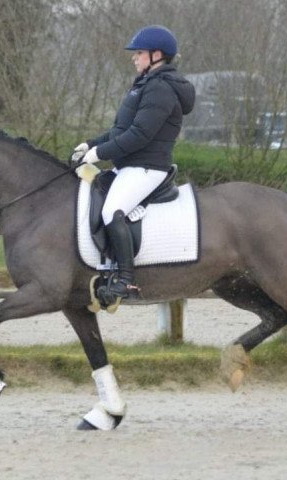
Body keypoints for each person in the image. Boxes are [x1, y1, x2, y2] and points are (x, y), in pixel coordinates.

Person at [73, 24, 195, 302]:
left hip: (147, 168)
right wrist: (91, 144)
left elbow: (139, 135)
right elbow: (120, 131)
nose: (134, 57)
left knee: (112, 211)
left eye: (139, 53)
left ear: (157, 55)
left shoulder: (161, 89)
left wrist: (100, 154)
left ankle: (126, 279)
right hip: (130, 165)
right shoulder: (144, 85)